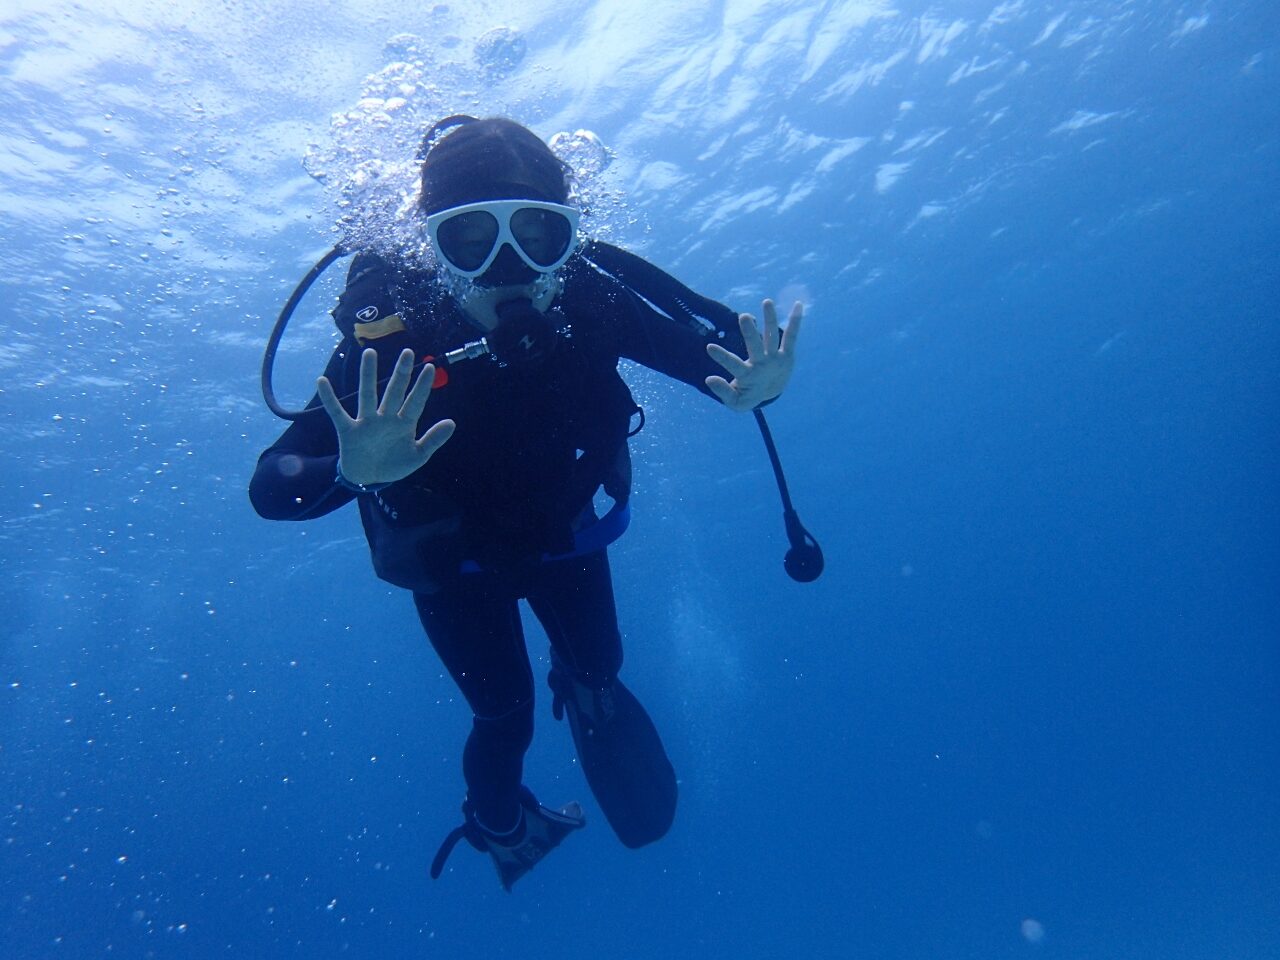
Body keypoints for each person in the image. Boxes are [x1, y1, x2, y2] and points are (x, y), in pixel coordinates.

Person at [249, 116, 802, 890]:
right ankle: (502, 828)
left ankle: (582, 687)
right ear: (429, 246)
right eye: (470, 241)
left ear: (569, 238)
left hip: (560, 533)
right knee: (502, 714)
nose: (509, 268)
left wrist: (758, 386)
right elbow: (274, 486)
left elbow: (722, 363)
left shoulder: (591, 299)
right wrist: (353, 467)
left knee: (602, 667)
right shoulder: (392, 331)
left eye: (538, 235)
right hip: (453, 561)